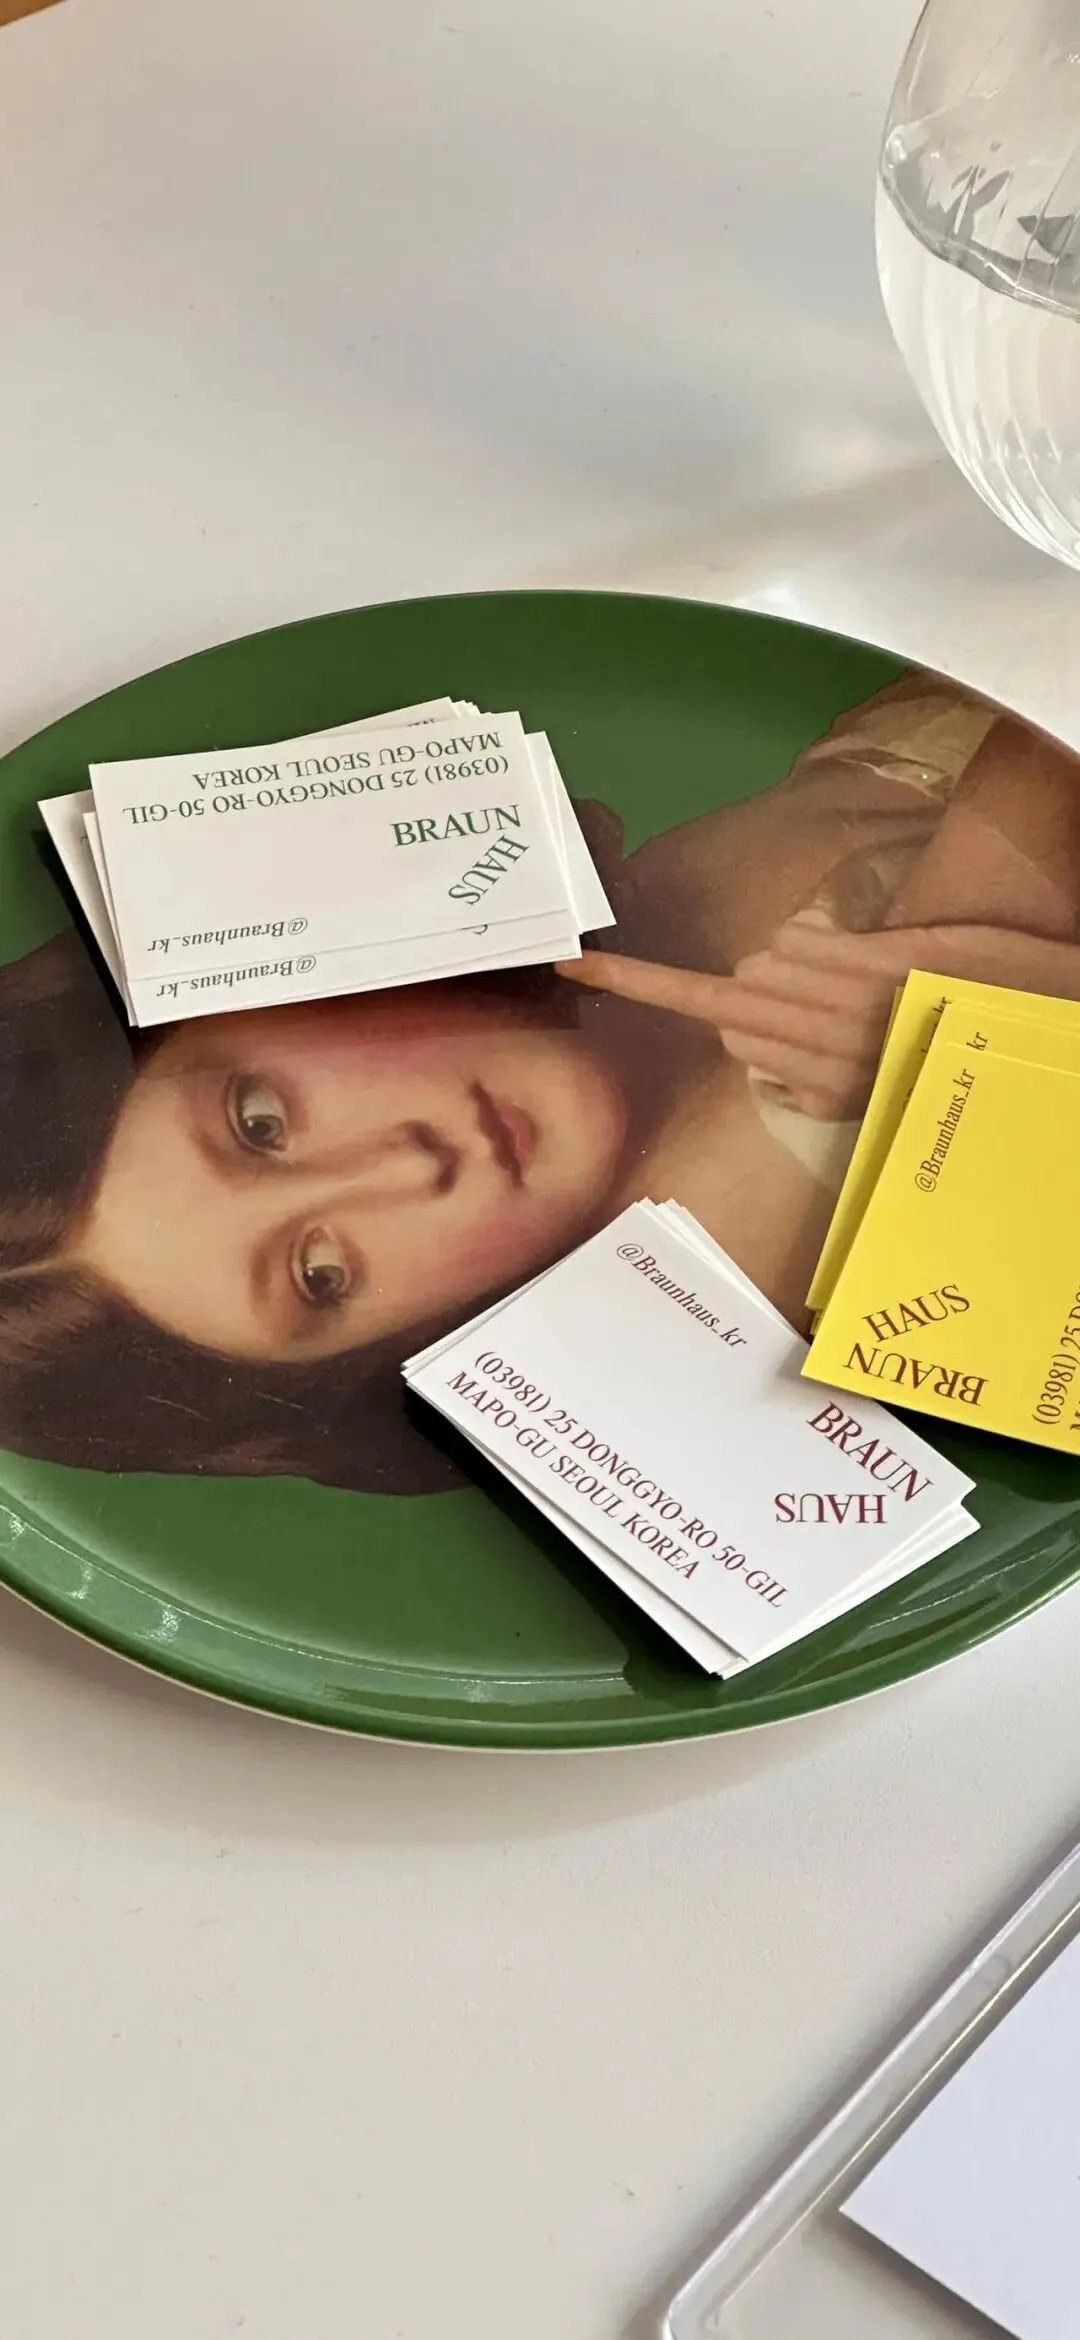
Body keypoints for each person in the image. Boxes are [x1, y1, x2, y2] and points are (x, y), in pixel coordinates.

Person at [5, 667, 1080, 1491]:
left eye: (259, 1121)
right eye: (321, 1274)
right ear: (399, 1349)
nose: (407, 1167)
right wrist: (996, 1028)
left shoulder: (638, 917)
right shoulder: (737, 1243)